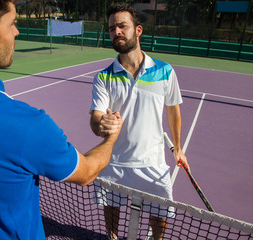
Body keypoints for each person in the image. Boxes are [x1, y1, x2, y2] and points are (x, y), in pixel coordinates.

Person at [0, 0, 123, 239]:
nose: (16, 32)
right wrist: (111, 137)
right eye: (12, 23)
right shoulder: (26, 125)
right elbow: (88, 172)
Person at [89, 3, 189, 240]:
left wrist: (178, 148)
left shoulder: (165, 71)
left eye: (122, 26)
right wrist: (101, 124)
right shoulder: (103, 77)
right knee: (110, 209)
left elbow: (173, 110)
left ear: (138, 30)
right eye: (112, 28)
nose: (117, 32)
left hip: (152, 162)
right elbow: (95, 117)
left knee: (160, 213)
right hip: (114, 161)